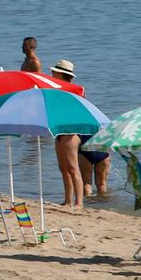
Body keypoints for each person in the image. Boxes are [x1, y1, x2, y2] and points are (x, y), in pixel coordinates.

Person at [49, 59, 85, 206]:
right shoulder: (54, 90)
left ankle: (79, 203)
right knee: (63, 168)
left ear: (60, 73)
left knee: (72, 167)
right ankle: (68, 200)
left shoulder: (75, 90)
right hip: (59, 131)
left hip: (71, 132)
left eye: (54, 72)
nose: (51, 73)